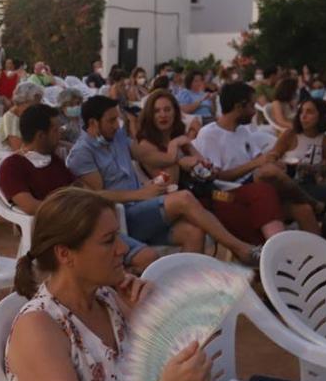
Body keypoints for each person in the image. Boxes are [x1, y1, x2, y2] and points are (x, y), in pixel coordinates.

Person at [5, 188, 315, 381]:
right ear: (65, 254)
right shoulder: (39, 328)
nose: (123, 249)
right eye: (108, 240)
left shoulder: (107, 299)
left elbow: (192, 377)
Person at [69, 95, 261, 265]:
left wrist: (176, 151)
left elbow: (147, 156)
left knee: (194, 232)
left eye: (117, 119)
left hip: (143, 207)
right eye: (111, 120)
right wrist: (140, 193)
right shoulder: (82, 153)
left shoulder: (116, 136)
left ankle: (186, 292)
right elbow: (96, 195)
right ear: (93, 123)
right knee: (184, 197)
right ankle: (240, 248)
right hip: (121, 217)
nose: (117, 125)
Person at [0, 104, 156, 272]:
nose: (60, 134)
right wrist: (72, 209)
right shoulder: (12, 166)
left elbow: (83, 191)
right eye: (56, 130)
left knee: (147, 257)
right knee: (144, 259)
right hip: (62, 238)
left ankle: (114, 283)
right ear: (41, 136)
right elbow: (31, 206)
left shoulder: (54, 161)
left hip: (87, 228)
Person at [193, 83, 322, 237]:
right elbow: (217, 177)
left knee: (303, 209)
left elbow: (259, 158)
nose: (254, 112)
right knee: (267, 172)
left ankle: (318, 255)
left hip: (255, 183)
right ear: (239, 107)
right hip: (229, 192)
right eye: (252, 106)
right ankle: (317, 204)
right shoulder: (210, 134)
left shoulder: (242, 130)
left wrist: (275, 163)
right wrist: (256, 164)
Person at [269, 97, 326, 231]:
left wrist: (320, 168)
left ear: (321, 116)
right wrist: (284, 164)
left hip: (310, 186)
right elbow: (271, 158)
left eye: (309, 112)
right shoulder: (290, 135)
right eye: (301, 112)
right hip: (289, 186)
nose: (303, 116)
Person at [0, 81, 44, 151]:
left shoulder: (28, 114)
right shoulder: (10, 118)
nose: (38, 106)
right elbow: (18, 148)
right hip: (18, 157)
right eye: (36, 102)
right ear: (24, 101)